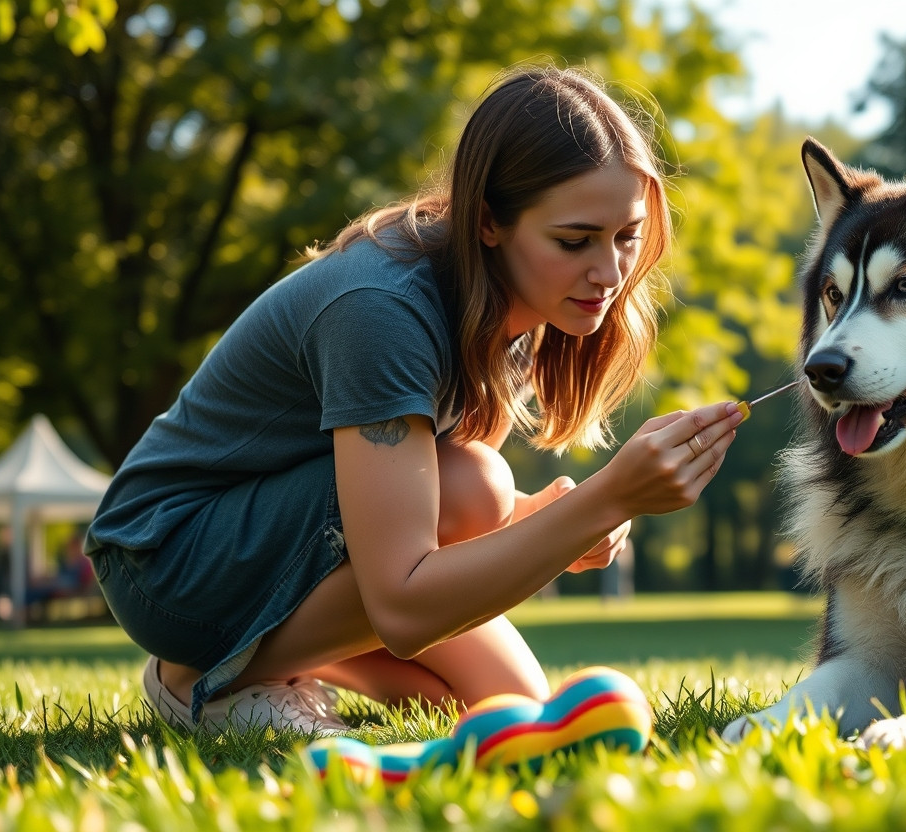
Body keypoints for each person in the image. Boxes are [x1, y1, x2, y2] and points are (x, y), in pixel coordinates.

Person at [84, 66, 743, 734]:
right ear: (490, 222)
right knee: (480, 488)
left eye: (626, 235)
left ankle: (279, 664)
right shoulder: (384, 311)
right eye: (574, 241)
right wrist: (607, 498)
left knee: (510, 704)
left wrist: (543, 521)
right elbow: (405, 601)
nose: (610, 273)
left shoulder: (505, 307)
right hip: (167, 558)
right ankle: (201, 676)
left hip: (271, 540)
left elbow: (410, 495)